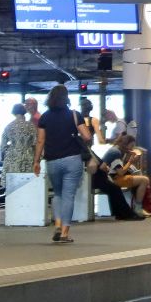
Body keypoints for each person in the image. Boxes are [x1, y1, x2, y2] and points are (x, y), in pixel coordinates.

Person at [33, 85, 91, 243]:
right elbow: (86, 136)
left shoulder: (44, 117)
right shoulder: (74, 115)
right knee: (68, 196)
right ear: (66, 98)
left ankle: (57, 224)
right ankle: (65, 232)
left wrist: (36, 161)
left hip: (52, 161)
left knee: (57, 194)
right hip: (72, 159)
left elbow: (40, 141)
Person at [100, 134, 151, 218]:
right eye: (131, 146)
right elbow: (121, 172)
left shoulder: (116, 150)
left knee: (141, 179)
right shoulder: (116, 153)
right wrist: (130, 162)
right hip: (116, 179)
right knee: (144, 180)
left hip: (112, 177)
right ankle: (138, 208)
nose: (132, 148)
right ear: (125, 145)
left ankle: (138, 207)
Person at [0, 103, 36, 181]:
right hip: (28, 156)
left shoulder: (8, 126)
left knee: (12, 184)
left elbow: (2, 146)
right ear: (24, 112)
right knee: (27, 183)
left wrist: (11, 149)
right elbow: (36, 143)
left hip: (12, 157)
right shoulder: (31, 126)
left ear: (13, 113)